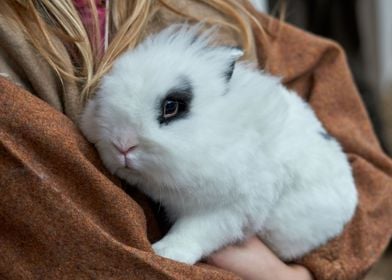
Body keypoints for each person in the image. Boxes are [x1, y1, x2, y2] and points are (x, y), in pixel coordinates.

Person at [0, 1, 390, 279]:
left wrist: (296, 274)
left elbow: (370, 178)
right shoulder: (13, 64)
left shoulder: (206, 11)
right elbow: (71, 250)